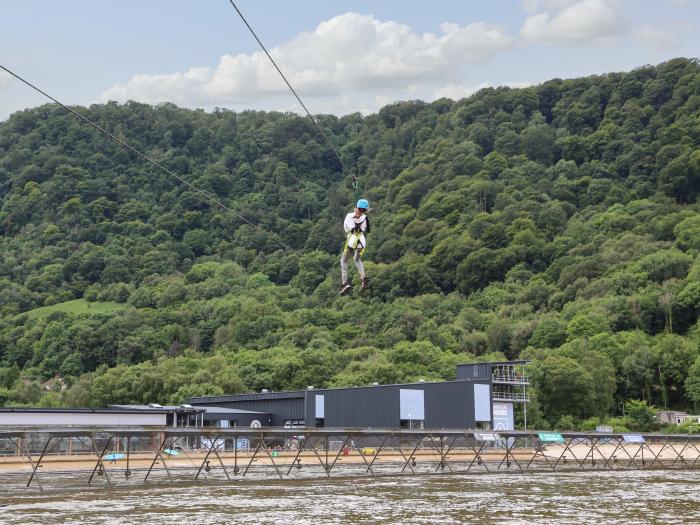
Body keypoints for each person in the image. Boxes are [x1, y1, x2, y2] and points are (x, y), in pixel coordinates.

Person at [340, 198, 370, 295]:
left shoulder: (349, 216)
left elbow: (350, 229)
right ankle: (363, 276)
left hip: (352, 239)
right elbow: (363, 229)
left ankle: (345, 283)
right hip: (362, 240)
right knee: (357, 259)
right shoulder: (365, 218)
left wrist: (355, 214)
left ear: (357, 207)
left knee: (343, 261)